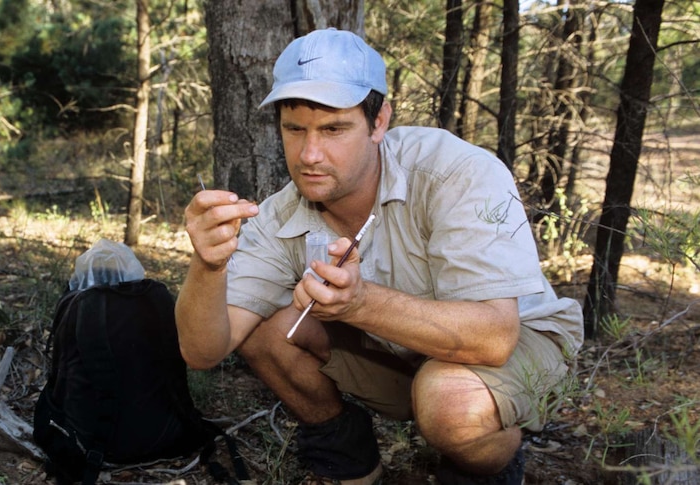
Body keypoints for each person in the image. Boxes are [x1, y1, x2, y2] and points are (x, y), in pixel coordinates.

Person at [175, 28, 583, 485]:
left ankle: (484, 467)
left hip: (519, 339)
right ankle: (351, 466)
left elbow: (494, 337)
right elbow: (201, 351)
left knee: (450, 401)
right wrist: (207, 266)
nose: (310, 154)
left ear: (379, 121)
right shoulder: (279, 217)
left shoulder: (455, 173)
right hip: (401, 353)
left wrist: (361, 303)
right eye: (295, 129)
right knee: (267, 333)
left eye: (333, 129)